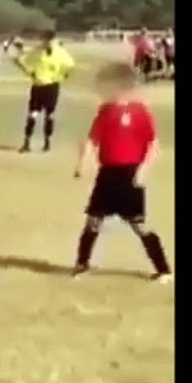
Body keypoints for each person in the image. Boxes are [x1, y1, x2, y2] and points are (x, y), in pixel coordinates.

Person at [71, 63, 172, 284]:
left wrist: (143, 171)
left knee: (140, 225)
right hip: (108, 174)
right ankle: (82, 265)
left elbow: (153, 145)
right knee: (93, 221)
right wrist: (83, 163)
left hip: (130, 173)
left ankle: (164, 270)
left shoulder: (141, 112)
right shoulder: (105, 112)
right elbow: (92, 140)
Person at [13, 30, 76, 153]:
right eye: (44, 40)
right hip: (38, 86)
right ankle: (27, 142)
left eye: (48, 40)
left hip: (52, 87)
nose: (46, 42)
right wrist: (27, 70)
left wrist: (62, 76)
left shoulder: (60, 53)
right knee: (32, 115)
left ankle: (47, 142)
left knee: (50, 115)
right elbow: (21, 59)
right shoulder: (38, 51)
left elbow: (70, 66)